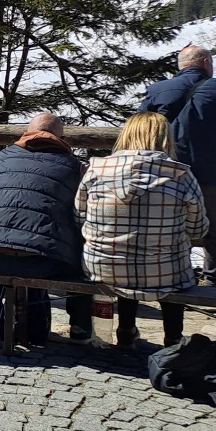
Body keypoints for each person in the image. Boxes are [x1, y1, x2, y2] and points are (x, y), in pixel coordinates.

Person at [78, 112, 208, 347]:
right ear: (165, 138)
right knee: (165, 265)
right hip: (165, 272)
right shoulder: (181, 175)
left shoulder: (96, 169)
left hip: (102, 269)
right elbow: (198, 229)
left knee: (126, 262)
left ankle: (126, 330)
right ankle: (173, 338)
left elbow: (79, 216)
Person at [139, 45, 216, 287]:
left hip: (168, 171)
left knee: (168, 225)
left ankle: (173, 275)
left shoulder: (158, 89)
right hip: (213, 173)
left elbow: (137, 127)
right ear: (206, 62)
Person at [0, 113, 91, 344]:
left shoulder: (1, 158)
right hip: (43, 260)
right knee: (82, 252)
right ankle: (80, 327)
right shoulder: (75, 167)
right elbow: (83, 212)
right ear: (63, 139)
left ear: (26, 133)